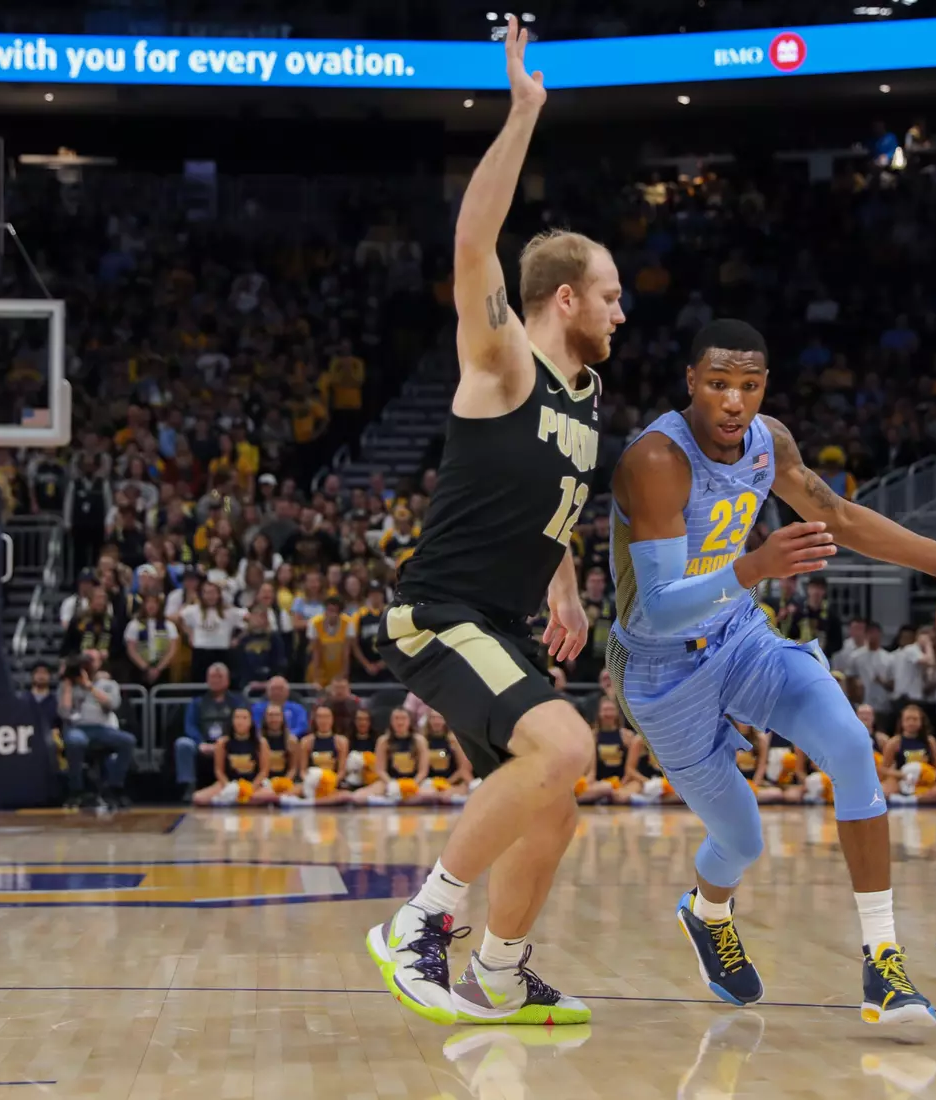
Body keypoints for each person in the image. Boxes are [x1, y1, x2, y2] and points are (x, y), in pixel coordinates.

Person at [606, 318, 936, 1027]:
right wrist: (755, 567)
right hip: (662, 669)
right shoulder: (656, 460)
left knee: (851, 748)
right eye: (718, 384)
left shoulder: (769, 441)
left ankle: (883, 962)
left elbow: (840, 517)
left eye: (748, 387)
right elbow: (658, 611)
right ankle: (707, 912)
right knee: (743, 840)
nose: (733, 402)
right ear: (691, 381)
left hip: (739, 637)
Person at [368, 19, 622, 1029]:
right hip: (440, 610)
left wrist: (562, 580)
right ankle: (421, 924)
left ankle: (505, 968)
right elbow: (474, 243)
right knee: (562, 744)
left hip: (507, 619)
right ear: (564, 297)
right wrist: (523, 110)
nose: (620, 309)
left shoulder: (585, 397)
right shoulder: (506, 358)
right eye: (609, 294)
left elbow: (546, 506)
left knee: (558, 791)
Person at [57, 653, 136, 810]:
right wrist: (67, 685)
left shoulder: (108, 684)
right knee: (75, 741)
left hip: (101, 728)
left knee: (128, 740)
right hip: (77, 728)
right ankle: (76, 790)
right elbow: (64, 713)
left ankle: (115, 787)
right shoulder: (67, 686)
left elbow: (112, 704)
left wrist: (90, 686)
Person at [175, 663, 240, 800]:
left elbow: (242, 725)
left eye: (219, 677)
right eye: (212, 677)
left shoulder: (237, 702)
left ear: (227, 680)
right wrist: (201, 743)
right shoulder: (196, 703)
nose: (215, 680)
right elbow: (190, 726)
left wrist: (223, 743)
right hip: (203, 744)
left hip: (229, 743)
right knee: (183, 744)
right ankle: (188, 786)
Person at [194, 707, 280, 808]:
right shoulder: (222, 743)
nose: (240, 721)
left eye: (244, 718)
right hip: (229, 783)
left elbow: (264, 771)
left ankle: (229, 800)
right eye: (237, 717)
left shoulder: (261, 743)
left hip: (253, 785)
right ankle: (235, 799)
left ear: (251, 721)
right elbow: (218, 770)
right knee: (198, 798)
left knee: (273, 795)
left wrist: (251, 788)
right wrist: (229, 787)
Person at [354, 707, 439, 806]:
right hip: (389, 782)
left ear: (409, 721)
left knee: (432, 794)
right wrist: (392, 784)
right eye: (396, 718)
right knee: (359, 796)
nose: (400, 722)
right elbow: (380, 769)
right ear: (391, 721)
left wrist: (412, 785)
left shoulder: (419, 741)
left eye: (403, 718)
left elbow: (423, 771)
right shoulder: (384, 741)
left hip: (415, 782)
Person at [880, 704, 936, 806]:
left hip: (923, 783)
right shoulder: (895, 742)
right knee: (882, 789)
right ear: (902, 722)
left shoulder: (930, 741)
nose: (911, 722)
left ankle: (912, 800)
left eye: (915, 719)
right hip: (901, 781)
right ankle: (905, 797)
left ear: (921, 721)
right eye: (907, 719)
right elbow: (883, 769)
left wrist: (930, 778)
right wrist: (902, 775)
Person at [575, 697, 636, 806]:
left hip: (623, 783)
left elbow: (630, 769)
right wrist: (585, 785)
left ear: (617, 713)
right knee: (606, 788)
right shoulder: (593, 736)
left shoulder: (627, 736)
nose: (608, 713)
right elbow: (591, 772)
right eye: (605, 710)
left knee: (632, 789)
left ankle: (612, 797)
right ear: (599, 713)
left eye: (611, 710)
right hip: (600, 783)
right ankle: (601, 796)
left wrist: (622, 785)